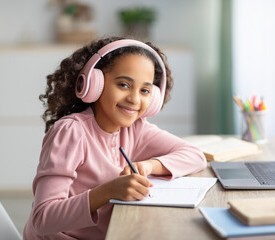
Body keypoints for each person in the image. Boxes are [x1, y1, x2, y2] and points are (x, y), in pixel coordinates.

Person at [23, 36, 207, 239]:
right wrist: (106, 192)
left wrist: (148, 166)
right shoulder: (71, 132)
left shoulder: (135, 129)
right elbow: (43, 218)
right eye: (123, 85)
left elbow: (195, 155)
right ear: (95, 83)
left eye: (145, 90)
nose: (134, 99)